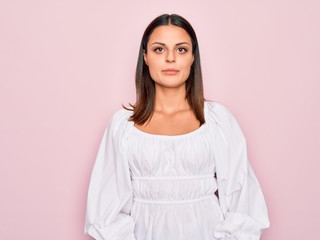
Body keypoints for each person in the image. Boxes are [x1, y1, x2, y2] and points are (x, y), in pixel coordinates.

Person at [84, 13, 270, 240]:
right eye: (159, 49)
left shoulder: (218, 121)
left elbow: (243, 200)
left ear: (193, 57)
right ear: (145, 57)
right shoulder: (122, 126)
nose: (170, 58)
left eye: (181, 49)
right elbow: (106, 210)